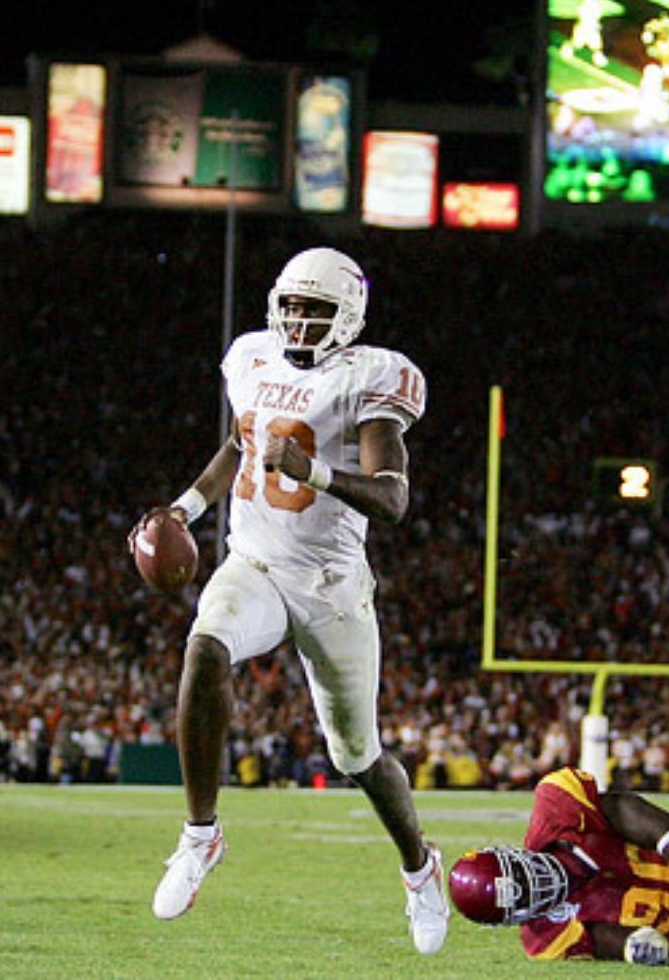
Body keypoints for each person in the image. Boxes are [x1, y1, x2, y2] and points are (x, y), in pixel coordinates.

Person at [132, 247, 447, 953]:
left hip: (331, 585)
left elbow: (392, 498)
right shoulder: (250, 358)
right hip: (256, 562)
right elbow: (239, 447)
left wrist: (316, 472)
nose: (300, 321)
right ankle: (200, 835)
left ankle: (421, 870)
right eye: (293, 306)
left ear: (349, 317)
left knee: (357, 757)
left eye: (317, 310)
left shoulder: (369, 379)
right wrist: (183, 508)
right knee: (206, 647)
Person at [448, 768, 669, 964]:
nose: (534, 884)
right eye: (521, 897)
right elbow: (599, 938)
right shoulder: (544, 939)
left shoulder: (555, 809)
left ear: (510, 854)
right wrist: (632, 945)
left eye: (518, 873)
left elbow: (629, 809)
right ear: (509, 920)